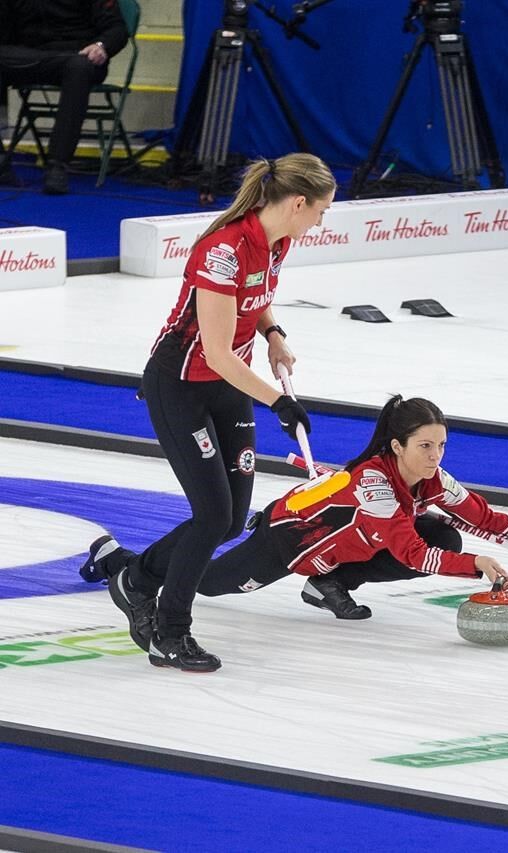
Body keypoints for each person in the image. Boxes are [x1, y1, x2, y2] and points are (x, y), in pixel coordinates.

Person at [83, 154, 335, 673]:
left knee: (231, 520)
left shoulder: (277, 240)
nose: (321, 223)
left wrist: (273, 333)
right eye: (321, 212)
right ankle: (169, 633)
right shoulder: (222, 251)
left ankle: (133, 579)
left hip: (227, 384)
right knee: (212, 516)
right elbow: (215, 352)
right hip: (181, 387)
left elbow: (256, 297)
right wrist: (280, 403)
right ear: (298, 203)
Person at [84, 396, 508, 633]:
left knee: (445, 534)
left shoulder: (431, 477)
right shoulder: (375, 483)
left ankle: (326, 583)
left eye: (441, 445)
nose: (436, 456)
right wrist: (478, 566)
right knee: (207, 583)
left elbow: (485, 517)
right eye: (425, 446)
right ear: (397, 445)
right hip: (288, 539)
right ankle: (116, 559)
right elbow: (409, 551)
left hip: (343, 545)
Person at [0, 0, 128, 194]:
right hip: (29, 56)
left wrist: (101, 46)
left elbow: (117, 28)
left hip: (77, 55)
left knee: (79, 67)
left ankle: (57, 165)